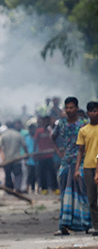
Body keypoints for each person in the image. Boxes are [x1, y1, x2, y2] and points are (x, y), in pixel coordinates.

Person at [51, 98, 90, 235]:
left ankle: (87, 224)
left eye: (71, 108)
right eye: (67, 108)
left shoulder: (84, 123)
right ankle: (64, 224)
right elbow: (53, 137)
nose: (69, 110)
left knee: (83, 193)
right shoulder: (61, 124)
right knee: (65, 194)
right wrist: (59, 152)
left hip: (83, 161)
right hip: (67, 162)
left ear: (77, 108)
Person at [77, 102, 98, 235]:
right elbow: (80, 150)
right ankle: (96, 226)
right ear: (88, 113)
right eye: (91, 111)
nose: (93, 114)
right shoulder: (83, 130)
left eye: (96, 111)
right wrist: (76, 168)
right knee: (91, 198)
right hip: (88, 166)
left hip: (96, 167)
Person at [0, 122, 28, 191]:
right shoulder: (18, 134)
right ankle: (17, 188)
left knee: (8, 175)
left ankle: (9, 189)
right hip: (17, 159)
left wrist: (2, 155)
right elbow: (24, 145)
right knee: (18, 174)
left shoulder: (4, 135)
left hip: (7, 159)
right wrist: (26, 154)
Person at [35, 116, 59, 194]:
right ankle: (44, 189)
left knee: (52, 172)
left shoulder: (50, 130)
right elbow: (35, 142)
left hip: (49, 155)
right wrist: (35, 152)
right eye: (44, 121)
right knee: (42, 173)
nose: (46, 123)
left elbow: (53, 141)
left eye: (47, 121)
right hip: (41, 156)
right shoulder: (39, 131)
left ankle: (55, 188)